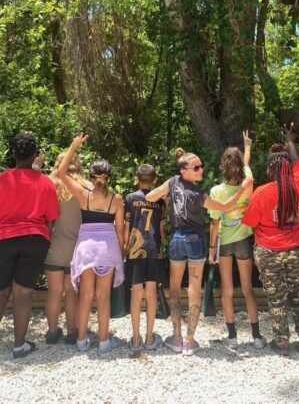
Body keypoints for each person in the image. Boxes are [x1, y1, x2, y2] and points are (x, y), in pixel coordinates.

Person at [145, 148, 252, 356]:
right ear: (185, 171)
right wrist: (240, 191)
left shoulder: (173, 182)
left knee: (174, 289)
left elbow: (150, 196)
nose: (201, 169)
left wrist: (167, 200)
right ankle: (190, 340)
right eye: (196, 168)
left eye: (201, 166)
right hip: (196, 242)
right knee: (194, 290)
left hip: (176, 240)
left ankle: (176, 337)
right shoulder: (198, 194)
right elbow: (224, 206)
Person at [0, 132, 59, 360]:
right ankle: (19, 345)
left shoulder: (0, 180)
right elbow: (51, 218)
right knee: (23, 293)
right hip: (34, 238)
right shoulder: (45, 182)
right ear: (34, 156)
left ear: (13, 154)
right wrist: (46, 238)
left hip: (1, 240)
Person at [241, 124, 299, 356]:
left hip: (269, 250)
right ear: (290, 168)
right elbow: (298, 161)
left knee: (276, 297)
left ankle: (281, 340)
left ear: (270, 170)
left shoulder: (262, 192)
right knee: (297, 293)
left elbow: (250, 223)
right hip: (298, 250)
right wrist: (290, 139)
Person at [57, 134, 125, 355]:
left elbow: (60, 172)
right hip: (108, 249)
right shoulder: (116, 200)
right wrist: (121, 252)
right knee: (103, 296)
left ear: (90, 175)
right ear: (110, 177)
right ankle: (104, 342)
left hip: (86, 247)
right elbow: (120, 230)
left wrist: (74, 146)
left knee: (85, 295)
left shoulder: (82, 193)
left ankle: (81, 340)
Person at [208, 131, 265, 349]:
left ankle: (232, 336)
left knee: (227, 290)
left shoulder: (216, 191)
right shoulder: (248, 182)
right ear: (240, 165)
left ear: (223, 165)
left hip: (224, 242)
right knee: (248, 287)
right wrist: (247, 146)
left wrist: (211, 248)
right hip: (243, 240)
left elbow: (214, 224)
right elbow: (247, 165)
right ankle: (257, 337)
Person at [44, 152, 92, 345]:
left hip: (54, 245)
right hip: (77, 248)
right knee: (72, 291)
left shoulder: (49, 184)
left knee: (54, 291)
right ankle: (73, 331)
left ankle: (52, 331)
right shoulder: (86, 187)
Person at [123, 164, 168, 352]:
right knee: (151, 293)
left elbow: (126, 227)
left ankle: (135, 339)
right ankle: (150, 338)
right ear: (155, 180)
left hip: (135, 250)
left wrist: (124, 248)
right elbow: (163, 230)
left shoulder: (130, 198)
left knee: (136, 294)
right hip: (153, 249)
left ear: (136, 178)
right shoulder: (160, 201)